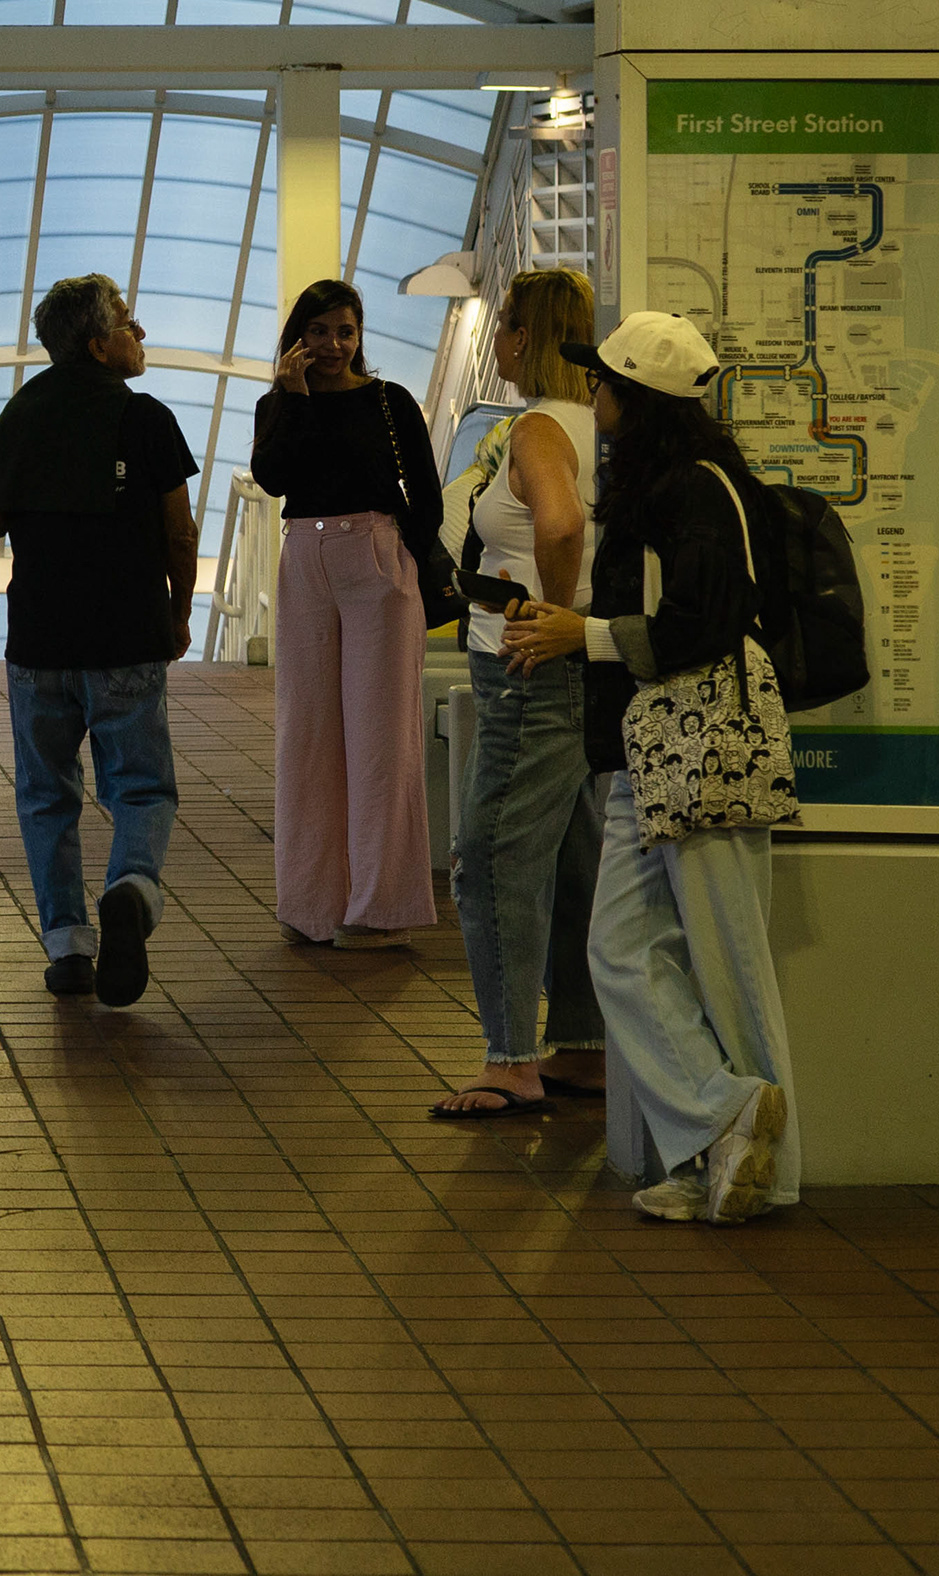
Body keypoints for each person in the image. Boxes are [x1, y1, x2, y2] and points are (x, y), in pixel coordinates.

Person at [500, 312, 800, 1224]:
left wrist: (577, 634)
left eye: (603, 384)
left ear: (636, 399)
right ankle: (720, 1125)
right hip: (659, 747)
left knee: (728, 963)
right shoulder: (675, 486)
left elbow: (698, 627)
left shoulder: (693, 493)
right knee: (621, 954)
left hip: (702, 742)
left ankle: (757, 1166)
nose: (592, 397)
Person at [0, 275, 199, 1007]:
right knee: (142, 785)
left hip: (41, 639)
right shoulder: (145, 418)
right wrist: (179, 613)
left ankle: (66, 946)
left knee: (45, 792)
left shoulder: (25, 410)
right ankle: (130, 889)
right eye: (127, 321)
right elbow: (179, 532)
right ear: (99, 344)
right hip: (126, 631)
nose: (140, 332)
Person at [431, 267, 609, 1119]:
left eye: (505, 322)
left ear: (528, 336)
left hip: (528, 676)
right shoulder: (601, 423)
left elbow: (561, 523)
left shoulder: (539, 427)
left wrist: (549, 615)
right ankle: (581, 1042)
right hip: (584, 676)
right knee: (573, 858)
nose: (496, 336)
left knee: (493, 857)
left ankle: (510, 1060)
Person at [252, 278, 438, 949]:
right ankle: (311, 904)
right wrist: (294, 400)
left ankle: (379, 908)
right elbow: (275, 480)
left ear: (361, 338)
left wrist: (404, 565)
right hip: (305, 555)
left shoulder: (390, 402)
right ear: (299, 335)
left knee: (381, 735)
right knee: (307, 733)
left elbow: (427, 496)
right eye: (321, 330)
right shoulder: (277, 404)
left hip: (378, 557)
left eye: (346, 331)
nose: (333, 344)